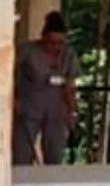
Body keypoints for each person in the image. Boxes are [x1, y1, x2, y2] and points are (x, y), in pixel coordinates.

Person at [13, 10, 78, 168]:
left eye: (59, 43)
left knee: (55, 153)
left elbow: (70, 84)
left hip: (56, 109)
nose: (55, 47)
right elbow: (10, 75)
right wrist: (13, 99)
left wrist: (72, 110)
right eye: (51, 43)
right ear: (43, 38)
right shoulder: (27, 51)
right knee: (22, 153)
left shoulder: (68, 55)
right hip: (29, 107)